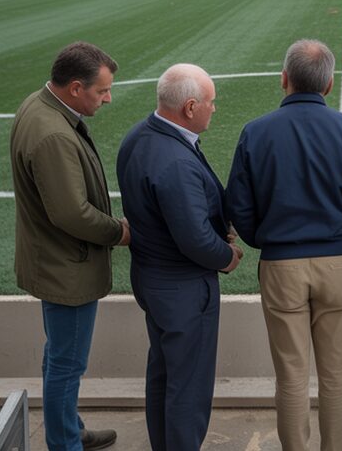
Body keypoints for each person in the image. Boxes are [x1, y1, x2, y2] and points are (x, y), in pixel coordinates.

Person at [224, 39, 342, 451]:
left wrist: (264, 239)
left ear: (284, 80)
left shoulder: (256, 132)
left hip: (281, 265)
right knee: (336, 377)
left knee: (291, 376)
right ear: (329, 84)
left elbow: (238, 204)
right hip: (335, 264)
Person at [116, 64, 243, 451]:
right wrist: (229, 256)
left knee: (164, 374)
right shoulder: (175, 160)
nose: (214, 109)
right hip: (184, 288)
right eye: (210, 102)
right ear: (190, 107)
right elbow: (196, 240)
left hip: (153, 280)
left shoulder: (138, 136)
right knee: (188, 389)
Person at [11, 41, 129, 451]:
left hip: (51, 260)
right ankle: (65, 443)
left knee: (58, 355)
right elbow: (72, 214)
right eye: (102, 91)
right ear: (75, 87)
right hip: (67, 268)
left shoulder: (39, 106)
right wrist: (120, 232)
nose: (108, 98)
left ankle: (69, 429)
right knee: (67, 363)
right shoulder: (53, 134)